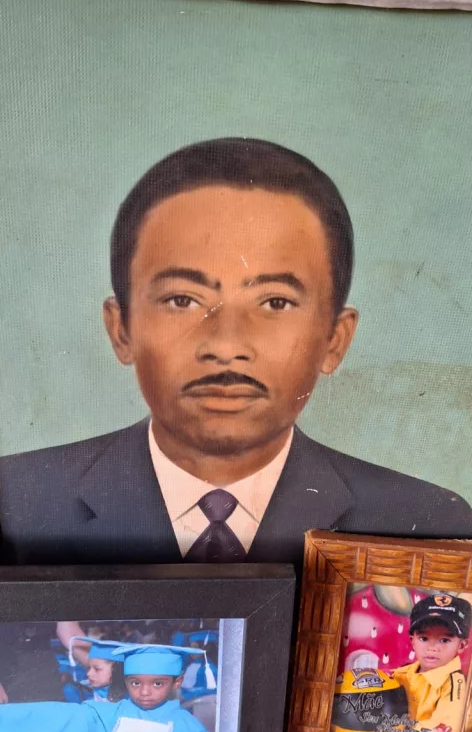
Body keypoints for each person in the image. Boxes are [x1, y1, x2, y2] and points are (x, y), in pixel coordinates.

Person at [0, 137, 471, 570]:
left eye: (275, 303)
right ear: (121, 328)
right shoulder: (15, 507)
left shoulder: (425, 526)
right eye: (182, 300)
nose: (226, 346)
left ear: (335, 339)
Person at [0, 643, 215, 732]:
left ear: (177, 682)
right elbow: (58, 716)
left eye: (158, 683)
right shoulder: (109, 715)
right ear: (125, 680)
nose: (144, 692)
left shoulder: (191, 730)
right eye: (135, 683)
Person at [373, 594, 471, 732]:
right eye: (424, 638)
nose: (432, 648)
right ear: (413, 641)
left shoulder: (457, 685)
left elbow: (449, 729)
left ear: (461, 645)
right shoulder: (400, 675)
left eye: (444, 640)